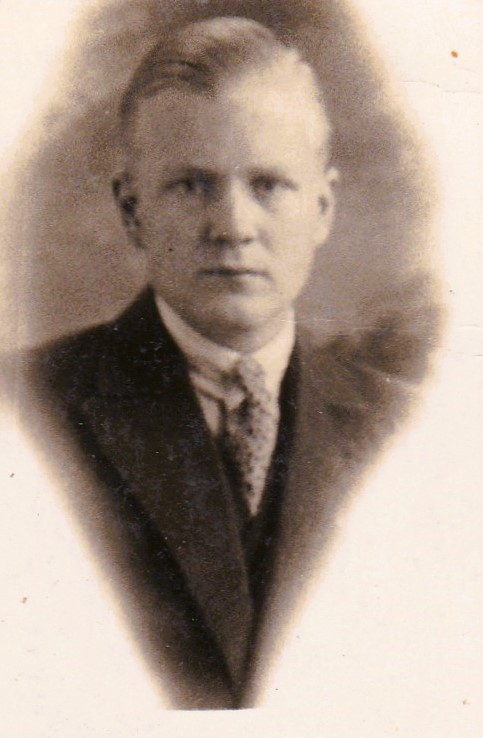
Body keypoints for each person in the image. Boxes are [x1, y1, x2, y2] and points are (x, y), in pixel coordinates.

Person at [19, 16, 430, 709]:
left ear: (322, 209)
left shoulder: (406, 419)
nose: (233, 227)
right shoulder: (28, 406)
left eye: (268, 184)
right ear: (132, 210)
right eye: (191, 185)